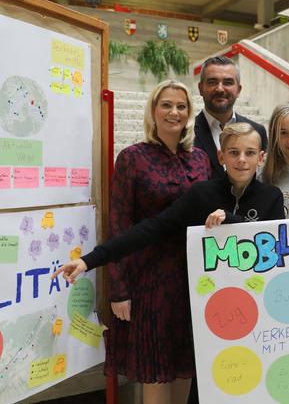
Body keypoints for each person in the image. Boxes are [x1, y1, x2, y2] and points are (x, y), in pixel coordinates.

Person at [103, 80, 211, 404]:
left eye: (181, 106)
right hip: (149, 282)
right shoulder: (132, 158)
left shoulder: (201, 159)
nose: (173, 112)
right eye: (166, 104)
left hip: (191, 281)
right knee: (155, 372)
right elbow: (119, 223)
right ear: (153, 110)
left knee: (185, 370)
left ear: (189, 113)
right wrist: (119, 289)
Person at [54, 122, 283, 274]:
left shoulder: (272, 197)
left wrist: (230, 219)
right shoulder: (201, 194)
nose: (242, 159)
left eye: (250, 153)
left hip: (258, 296)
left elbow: (277, 251)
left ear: (261, 158)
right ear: (221, 156)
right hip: (207, 299)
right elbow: (153, 228)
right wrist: (89, 260)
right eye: (234, 152)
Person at [195, 56, 268, 179]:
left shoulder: (257, 131)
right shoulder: (186, 133)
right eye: (212, 82)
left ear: (238, 90)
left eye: (228, 82)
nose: (219, 88)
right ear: (201, 88)